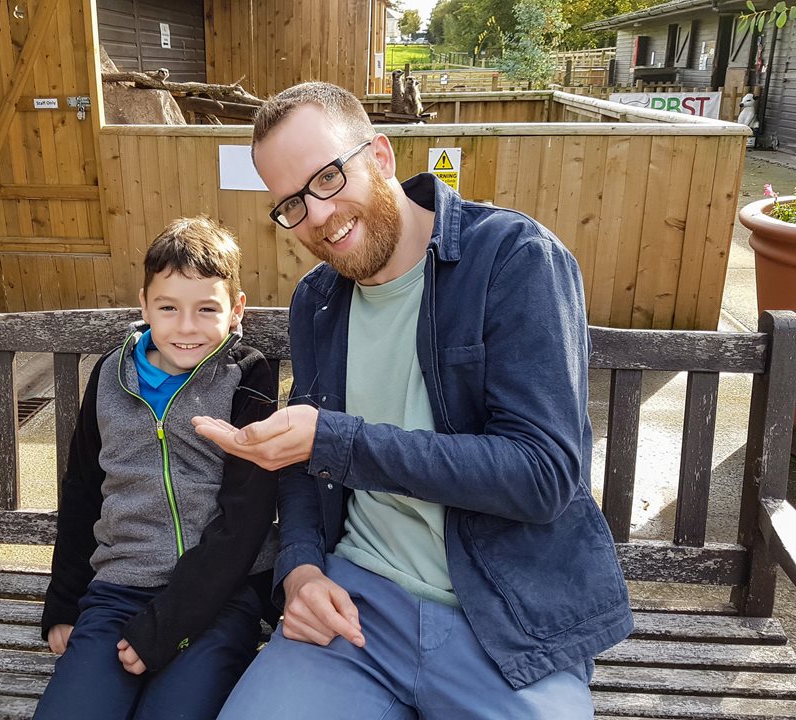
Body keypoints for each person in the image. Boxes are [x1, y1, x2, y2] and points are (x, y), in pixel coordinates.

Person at [193, 82, 634, 719]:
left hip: (503, 615)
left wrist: (339, 443)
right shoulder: (316, 301)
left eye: (326, 178)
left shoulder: (513, 259)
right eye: (291, 202)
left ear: (380, 155)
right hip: (356, 605)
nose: (316, 215)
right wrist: (300, 570)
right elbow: (300, 459)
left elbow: (545, 475)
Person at [35, 216, 279, 720]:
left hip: (220, 598)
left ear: (236, 311)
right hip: (118, 587)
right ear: (144, 306)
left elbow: (246, 517)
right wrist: (63, 602)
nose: (186, 327)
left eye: (206, 309)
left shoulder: (247, 377)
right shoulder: (109, 375)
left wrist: (167, 626)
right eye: (168, 308)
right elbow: (83, 488)